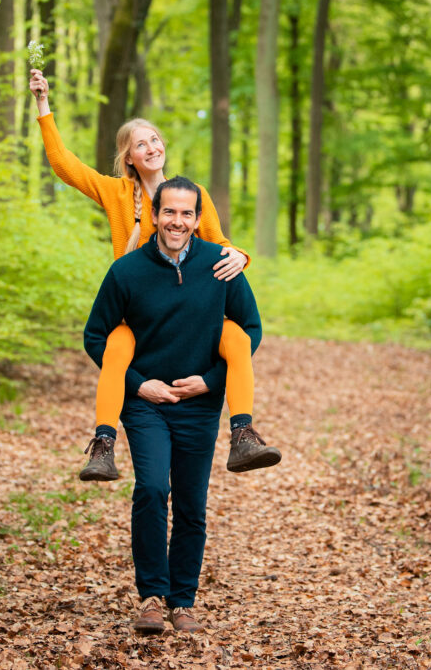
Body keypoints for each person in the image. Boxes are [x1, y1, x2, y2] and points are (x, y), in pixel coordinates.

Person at [29, 68, 280, 480]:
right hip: (139, 313)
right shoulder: (116, 194)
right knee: (114, 344)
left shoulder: (189, 195)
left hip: (192, 314)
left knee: (235, 335)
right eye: (139, 143)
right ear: (129, 156)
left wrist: (242, 257)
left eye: (155, 139)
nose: (150, 147)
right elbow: (63, 164)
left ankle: (243, 435)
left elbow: (219, 243)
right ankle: (104, 445)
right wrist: (43, 103)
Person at [84, 177, 275, 633]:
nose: (178, 221)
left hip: (199, 405)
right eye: (169, 212)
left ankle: (182, 600)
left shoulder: (220, 266)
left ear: (197, 217)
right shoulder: (126, 272)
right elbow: (96, 336)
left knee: (191, 504)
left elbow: (250, 329)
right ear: (154, 215)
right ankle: (151, 596)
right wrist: (138, 384)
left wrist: (209, 383)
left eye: (187, 213)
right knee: (151, 489)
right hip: (146, 404)